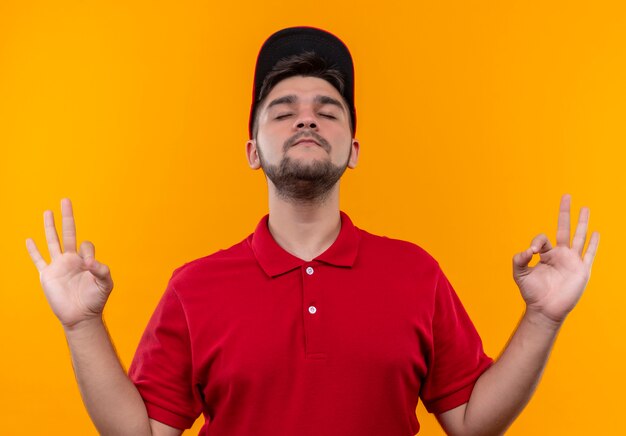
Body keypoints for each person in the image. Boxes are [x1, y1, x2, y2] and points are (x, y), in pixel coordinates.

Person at [26, 27, 599, 436]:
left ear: (353, 149)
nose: (306, 117)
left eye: (328, 109)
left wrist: (543, 318)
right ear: (253, 151)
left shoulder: (415, 273)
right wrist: (82, 325)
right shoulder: (194, 287)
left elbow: (473, 423)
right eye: (282, 110)